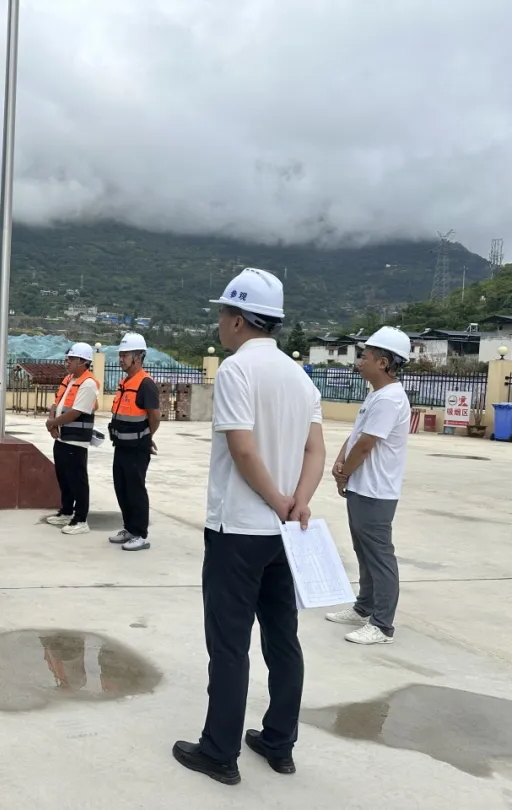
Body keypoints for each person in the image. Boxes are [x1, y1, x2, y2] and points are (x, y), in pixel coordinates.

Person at [173, 268, 325, 786]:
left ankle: (220, 751)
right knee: (283, 638)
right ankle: (279, 743)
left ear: (238, 319)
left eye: (222, 314)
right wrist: (298, 503)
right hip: (283, 535)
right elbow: (315, 450)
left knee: (229, 644)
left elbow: (242, 448)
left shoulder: (237, 371)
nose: (220, 322)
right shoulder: (300, 378)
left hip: (237, 529)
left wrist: (278, 500)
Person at [327, 326, 411, 645]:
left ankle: (382, 625)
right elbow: (357, 436)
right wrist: (340, 462)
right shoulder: (376, 395)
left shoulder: (390, 399)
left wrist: (345, 473)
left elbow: (366, 446)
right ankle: (364, 607)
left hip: (376, 490)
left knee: (379, 555)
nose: (360, 361)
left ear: (384, 363)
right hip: (362, 486)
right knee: (363, 551)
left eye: (366, 356)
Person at [107, 333, 161, 551]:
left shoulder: (145, 384)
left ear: (138, 357)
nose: (121, 359)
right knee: (122, 488)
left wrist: (147, 437)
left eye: (125, 355)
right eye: (120, 355)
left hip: (137, 448)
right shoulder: (125, 382)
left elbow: (155, 416)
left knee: (135, 489)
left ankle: (140, 534)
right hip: (121, 446)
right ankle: (129, 528)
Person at [45, 342, 100, 535]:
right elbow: (56, 404)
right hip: (62, 437)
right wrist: (53, 423)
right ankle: (67, 511)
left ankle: (81, 519)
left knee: (77, 479)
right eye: (67, 358)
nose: (67, 362)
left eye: (71, 359)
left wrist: (53, 423)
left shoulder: (88, 383)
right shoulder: (70, 379)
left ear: (83, 361)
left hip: (76, 439)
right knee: (64, 477)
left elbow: (75, 412)